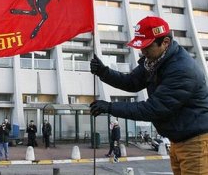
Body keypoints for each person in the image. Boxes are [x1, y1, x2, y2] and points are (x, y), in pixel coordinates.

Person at [89, 16, 208, 174]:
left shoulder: (181, 69)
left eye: (147, 46)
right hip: (179, 139)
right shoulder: (154, 61)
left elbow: (153, 109)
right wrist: (104, 72)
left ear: (165, 42)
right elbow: (131, 82)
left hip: (195, 141)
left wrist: (110, 107)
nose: (142, 51)